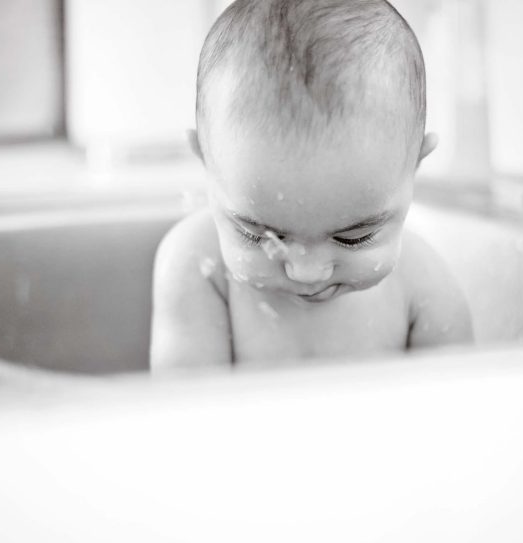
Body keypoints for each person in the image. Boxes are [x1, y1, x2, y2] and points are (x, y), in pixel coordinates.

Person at [150, 0, 472, 371]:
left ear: (414, 167)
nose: (306, 273)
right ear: (205, 159)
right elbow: (185, 417)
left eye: (354, 238)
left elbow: (456, 416)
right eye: (261, 236)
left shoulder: (425, 287)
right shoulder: (196, 267)